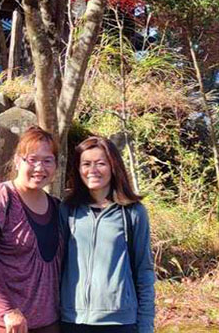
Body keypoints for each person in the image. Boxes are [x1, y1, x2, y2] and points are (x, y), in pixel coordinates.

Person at [0, 126, 62, 333]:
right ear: (18, 161)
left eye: (47, 161)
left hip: (46, 321)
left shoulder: (57, 207)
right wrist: (8, 310)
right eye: (32, 159)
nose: (40, 168)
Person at [60, 136, 155, 333]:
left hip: (119, 322)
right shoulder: (68, 210)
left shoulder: (133, 212)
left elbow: (144, 270)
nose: (92, 170)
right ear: (78, 169)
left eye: (100, 163)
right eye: (86, 164)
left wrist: (146, 325)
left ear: (113, 166)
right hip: (72, 320)